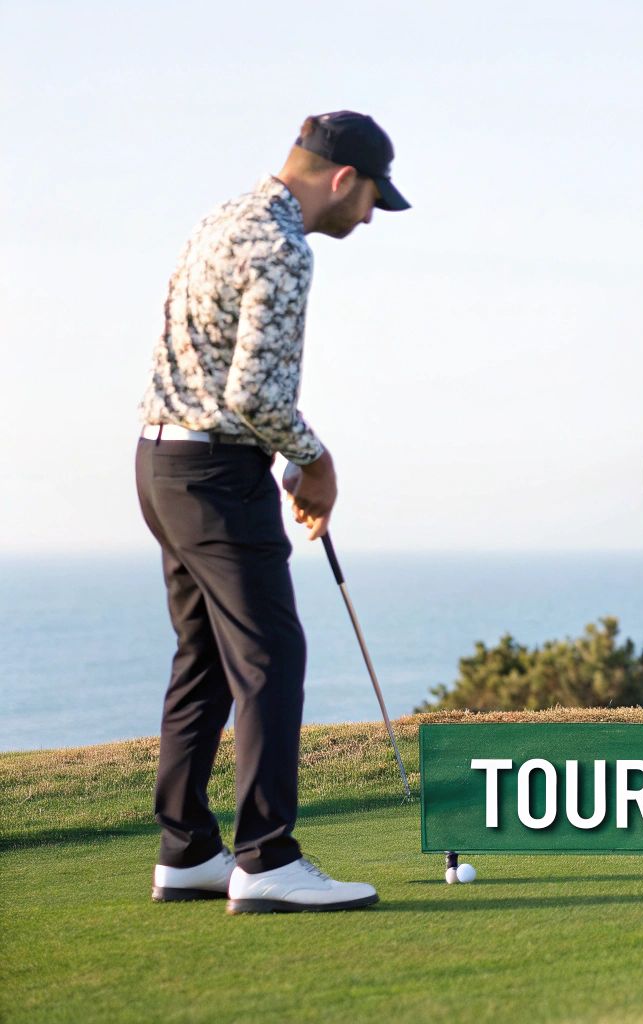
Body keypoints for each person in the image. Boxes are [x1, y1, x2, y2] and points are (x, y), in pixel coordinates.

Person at [138, 111, 409, 911]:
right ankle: (266, 858)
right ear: (341, 180)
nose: (366, 218)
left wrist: (282, 457)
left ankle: (187, 851)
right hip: (218, 473)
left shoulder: (219, 218)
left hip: (160, 461)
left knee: (205, 659)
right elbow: (252, 394)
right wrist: (314, 460)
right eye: (369, 202)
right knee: (269, 656)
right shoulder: (283, 245)